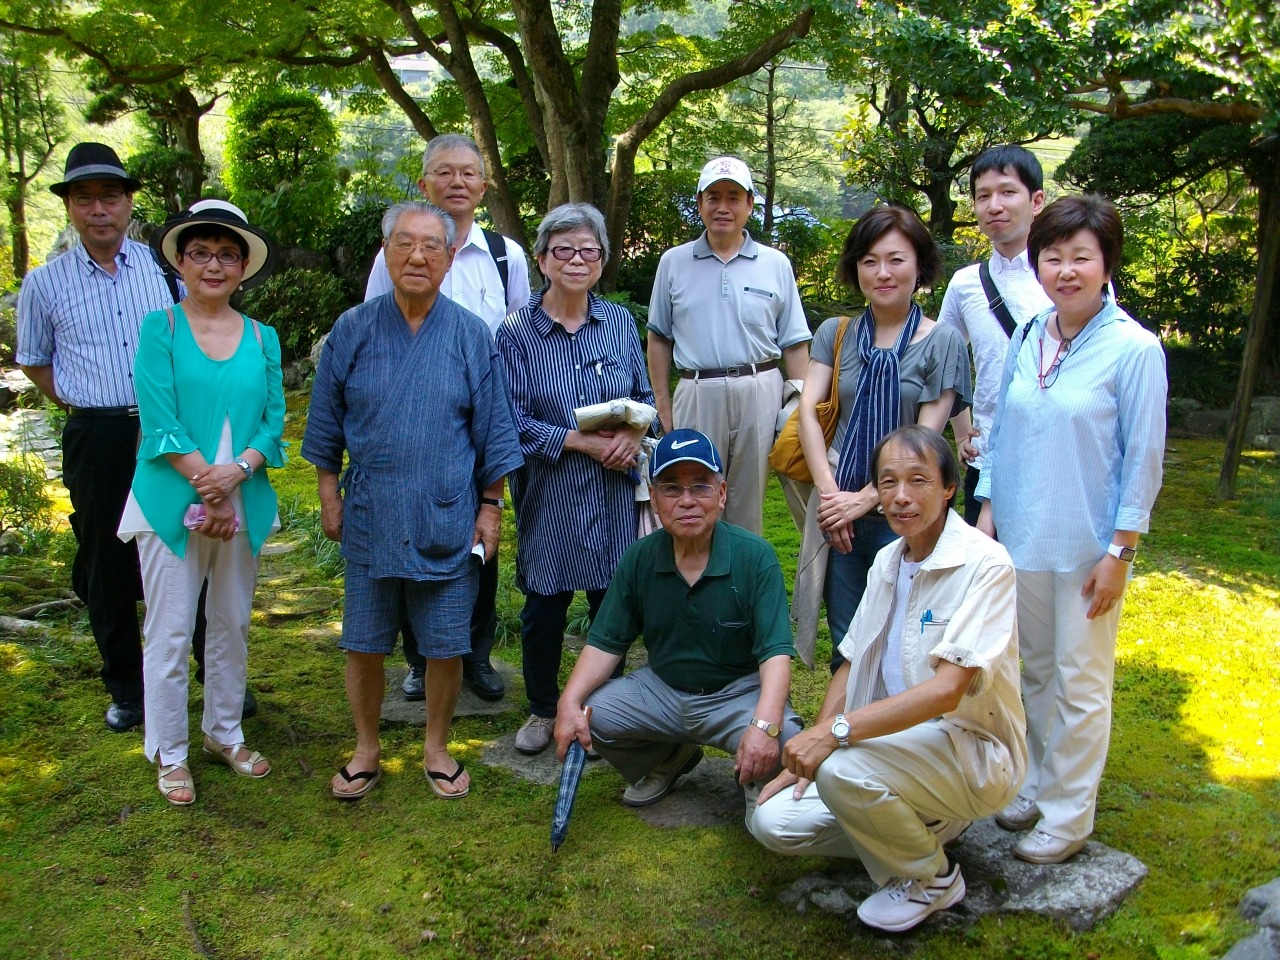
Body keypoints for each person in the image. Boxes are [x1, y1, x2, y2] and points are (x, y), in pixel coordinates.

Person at [750, 425, 1026, 933]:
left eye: (918, 480)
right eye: (888, 482)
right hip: (887, 752)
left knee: (839, 769)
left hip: (968, 754)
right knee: (772, 823)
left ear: (948, 487)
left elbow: (947, 690)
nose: (901, 497)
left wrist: (832, 735)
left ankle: (932, 877)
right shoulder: (887, 560)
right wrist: (813, 740)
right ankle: (908, 830)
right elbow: (852, 660)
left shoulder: (986, 565)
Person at [15, 142, 247, 733]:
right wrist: (79, 400)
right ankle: (126, 685)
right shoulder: (44, 284)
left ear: (127, 203)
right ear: (69, 206)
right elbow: (36, 362)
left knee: (185, 542)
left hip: (171, 430)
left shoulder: (162, 268)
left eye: (110, 196)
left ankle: (211, 673)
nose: (99, 209)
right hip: (97, 433)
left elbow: (194, 333)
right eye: (85, 198)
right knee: (105, 559)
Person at [303, 200, 523, 801]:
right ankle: (367, 747)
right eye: (404, 243)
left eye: (431, 245)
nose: (417, 256)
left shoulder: (473, 334)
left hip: (447, 513)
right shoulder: (352, 329)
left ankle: (436, 746)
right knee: (364, 638)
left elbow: (494, 432)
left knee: (446, 641)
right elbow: (324, 424)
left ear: (451, 258)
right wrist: (329, 495)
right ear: (386, 252)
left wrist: (489, 507)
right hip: (372, 511)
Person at [976, 195, 1166, 863]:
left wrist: (1121, 550)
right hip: (1021, 536)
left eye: (1080, 257)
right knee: (1033, 673)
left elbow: (1144, 459)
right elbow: (1001, 431)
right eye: (1052, 256)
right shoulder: (1030, 333)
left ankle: (1068, 812)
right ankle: (1031, 782)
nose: (1065, 270)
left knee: (1082, 682)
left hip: (1089, 544)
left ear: (1106, 263)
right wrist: (988, 507)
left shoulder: (1136, 349)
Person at [118, 200, 284, 806]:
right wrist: (205, 485)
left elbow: (272, 425)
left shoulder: (263, 337)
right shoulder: (158, 328)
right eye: (200, 253)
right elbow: (159, 422)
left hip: (243, 497)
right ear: (181, 262)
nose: (213, 265)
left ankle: (224, 731)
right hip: (169, 499)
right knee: (169, 628)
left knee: (232, 622)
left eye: (226, 254)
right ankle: (170, 750)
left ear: (243, 266)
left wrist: (234, 476)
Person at [552, 429, 802, 811]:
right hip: (662, 689)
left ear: (721, 495)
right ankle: (667, 760)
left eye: (700, 487)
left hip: (736, 693)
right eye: (671, 488)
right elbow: (606, 643)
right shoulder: (639, 558)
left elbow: (775, 654)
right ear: (653, 499)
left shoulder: (755, 557)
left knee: (787, 743)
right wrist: (568, 702)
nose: (686, 501)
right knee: (592, 715)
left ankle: (754, 772)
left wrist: (764, 726)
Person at [367, 134, 531, 705]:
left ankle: (474, 655)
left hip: (483, 422)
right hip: (414, 425)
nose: (456, 182)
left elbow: (520, 340)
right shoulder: (396, 251)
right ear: (423, 184)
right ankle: (418, 659)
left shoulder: (506, 256)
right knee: (414, 537)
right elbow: (374, 331)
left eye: (468, 174)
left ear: (483, 188)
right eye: (444, 172)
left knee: (480, 539)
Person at [496, 203, 657, 755]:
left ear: (602, 260)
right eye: (563, 249)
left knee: (611, 602)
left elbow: (646, 397)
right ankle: (543, 709)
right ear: (542, 259)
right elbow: (510, 420)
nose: (577, 259)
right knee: (545, 604)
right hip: (551, 491)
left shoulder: (616, 322)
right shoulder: (517, 332)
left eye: (589, 250)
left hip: (614, 490)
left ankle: (601, 709)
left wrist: (635, 435)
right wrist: (583, 442)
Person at [793, 206, 970, 669]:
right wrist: (834, 501)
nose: (883, 272)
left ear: (920, 266)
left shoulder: (942, 341)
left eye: (896, 259)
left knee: (912, 643)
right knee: (849, 642)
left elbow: (926, 441)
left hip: (911, 511)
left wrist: (868, 499)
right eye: (869, 261)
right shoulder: (835, 332)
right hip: (840, 515)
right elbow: (809, 413)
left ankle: (903, 737)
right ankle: (850, 735)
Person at [646, 156, 811, 536]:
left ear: (750, 204)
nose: (723, 207)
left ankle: (741, 588)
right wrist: (663, 404)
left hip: (760, 388)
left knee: (747, 503)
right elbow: (659, 337)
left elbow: (794, 343)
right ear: (700, 202)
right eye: (714, 196)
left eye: (734, 197)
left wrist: (802, 408)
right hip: (696, 389)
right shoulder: (673, 262)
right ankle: (695, 587)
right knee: (694, 493)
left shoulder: (775, 263)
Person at [937, 145, 1051, 523]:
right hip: (986, 461)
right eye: (982, 196)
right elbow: (944, 364)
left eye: (1007, 192)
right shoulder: (965, 284)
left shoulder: (1066, 278)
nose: (994, 205)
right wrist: (963, 430)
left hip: (1055, 457)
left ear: (1036, 201)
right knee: (983, 575)